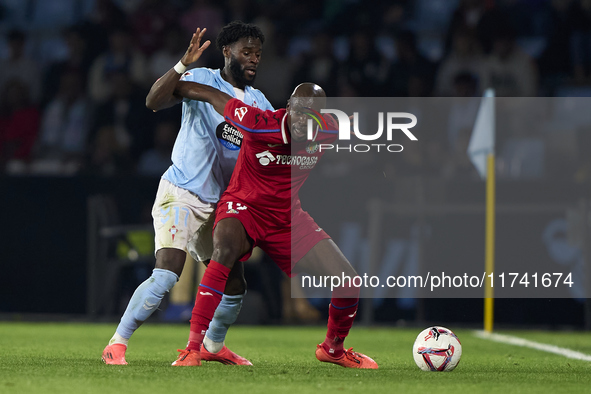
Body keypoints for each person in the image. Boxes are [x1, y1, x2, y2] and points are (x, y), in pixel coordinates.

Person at [167, 78, 378, 369]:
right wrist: (173, 83)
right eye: (300, 111)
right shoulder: (259, 122)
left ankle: (333, 348)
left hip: (286, 218)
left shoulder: (330, 128)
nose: (305, 120)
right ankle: (193, 349)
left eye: (314, 113)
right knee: (224, 252)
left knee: (349, 282)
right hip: (244, 206)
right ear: (288, 107)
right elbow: (212, 95)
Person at [101, 22, 274, 366]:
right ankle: (116, 344)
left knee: (236, 284)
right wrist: (182, 65)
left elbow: (267, 153)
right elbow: (153, 101)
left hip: (220, 204)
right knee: (167, 272)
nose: (253, 59)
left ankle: (213, 347)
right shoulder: (204, 80)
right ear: (227, 52)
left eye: (257, 54)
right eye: (246, 52)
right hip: (182, 191)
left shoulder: (260, 101)